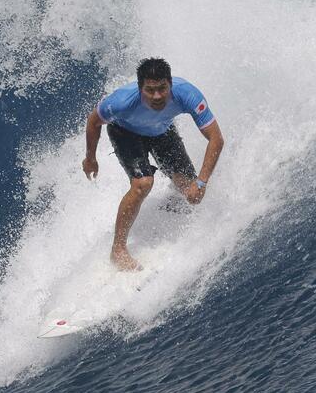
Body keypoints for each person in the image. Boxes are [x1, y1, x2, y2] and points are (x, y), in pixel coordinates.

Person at [82, 58, 224, 271]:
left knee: (190, 192)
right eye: (150, 90)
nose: (157, 96)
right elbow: (94, 121)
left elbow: (216, 138)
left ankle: (171, 205)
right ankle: (118, 250)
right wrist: (90, 158)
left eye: (162, 89)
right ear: (140, 88)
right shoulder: (122, 101)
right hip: (125, 133)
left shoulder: (187, 95)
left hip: (162, 131)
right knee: (143, 183)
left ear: (170, 85)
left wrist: (202, 182)